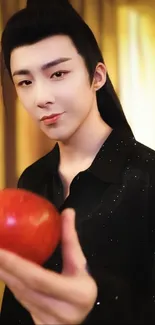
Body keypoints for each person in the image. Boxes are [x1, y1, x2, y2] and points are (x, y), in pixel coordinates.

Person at [1, 0, 155, 324]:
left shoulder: (147, 176)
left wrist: (95, 308)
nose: (41, 96)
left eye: (57, 73)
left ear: (97, 75)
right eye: (25, 81)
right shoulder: (32, 178)